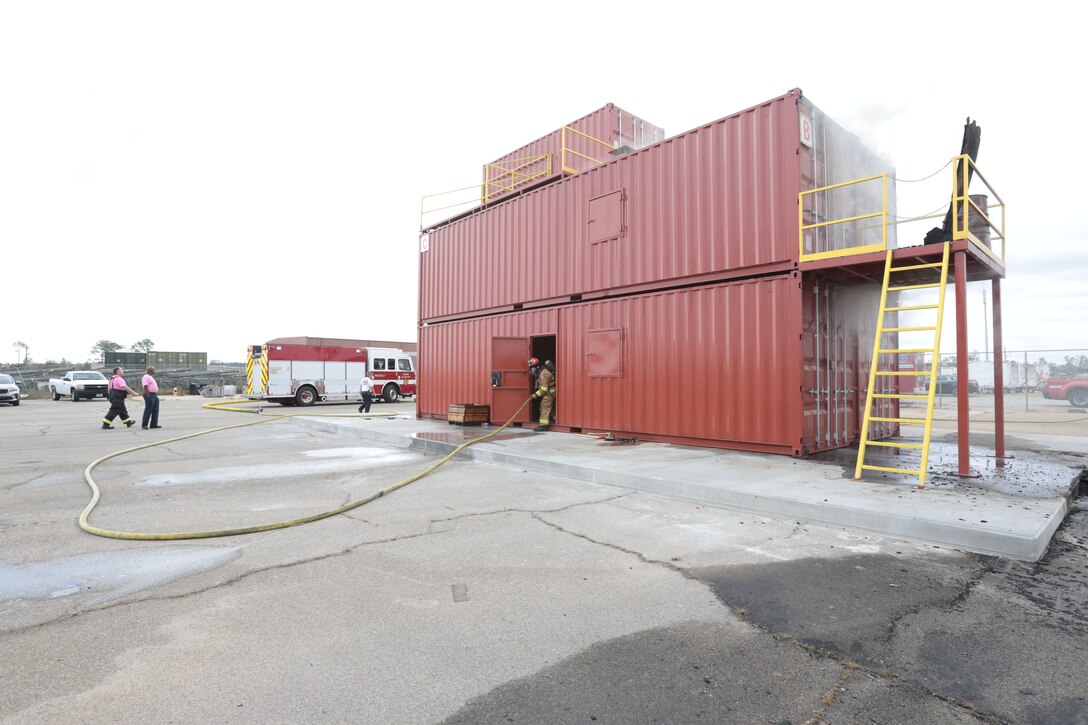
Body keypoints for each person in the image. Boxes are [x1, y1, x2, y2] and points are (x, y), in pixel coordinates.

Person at [532, 359, 556, 432]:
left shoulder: (543, 374)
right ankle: (556, 420)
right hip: (551, 393)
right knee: (551, 408)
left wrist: (535, 395)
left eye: (532, 368)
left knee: (544, 407)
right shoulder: (544, 371)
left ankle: (543, 426)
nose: (531, 370)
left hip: (548, 394)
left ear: (537, 367)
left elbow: (544, 389)